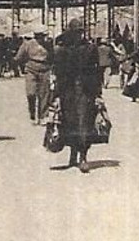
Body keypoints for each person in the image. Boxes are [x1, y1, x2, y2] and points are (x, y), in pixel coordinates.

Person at [51, 18, 104, 173]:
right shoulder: (61, 49)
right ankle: (73, 154)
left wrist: (97, 93)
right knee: (68, 121)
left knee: (84, 122)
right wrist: (56, 93)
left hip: (84, 90)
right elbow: (58, 72)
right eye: (76, 31)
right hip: (67, 90)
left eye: (80, 31)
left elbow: (96, 71)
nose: (78, 35)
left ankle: (83, 157)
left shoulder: (89, 48)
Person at [15, 27, 52, 122]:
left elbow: (53, 57)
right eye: (38, 36)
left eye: (42, 36)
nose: (41, 38)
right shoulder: (27, 44)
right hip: (31, 69)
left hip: (45, 69)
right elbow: (19, 56)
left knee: (44, 94)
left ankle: (42, 115)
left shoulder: (48, 45)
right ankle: (32, 112)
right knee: (31, 93)